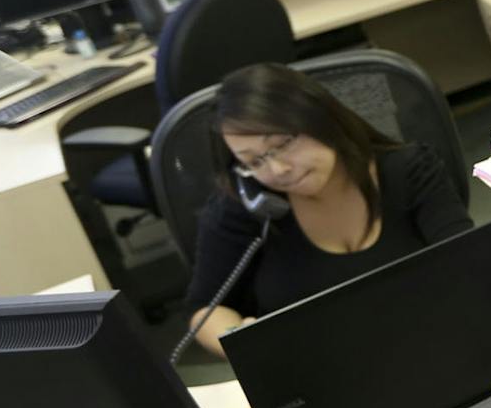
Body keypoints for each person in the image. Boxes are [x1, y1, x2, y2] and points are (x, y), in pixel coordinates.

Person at [184, 62, 471, 355]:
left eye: (283, 143)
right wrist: (242, 340)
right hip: (316, 368)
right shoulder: (243, 211)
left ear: (320, 118)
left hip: (430, 344)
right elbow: (205, 310)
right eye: (254, 162)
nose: (278, 169)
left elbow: (470, 260)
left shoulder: (409, 171)